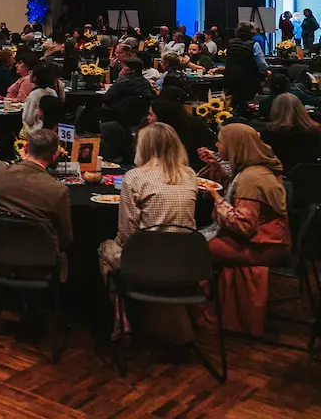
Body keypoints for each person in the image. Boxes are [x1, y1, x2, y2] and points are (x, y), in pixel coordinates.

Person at [98, 122, 198, 334]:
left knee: (105, 249)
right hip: (188, 262)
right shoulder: (190, 175)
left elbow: (127, 234)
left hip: (147, 262)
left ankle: (121, 314)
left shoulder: (135, 177)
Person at [198, 123, 291, 335]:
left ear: (234, 146)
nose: (216, 145)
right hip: (270, 237)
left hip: (263, 244)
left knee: (196, 248)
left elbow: (243, 226)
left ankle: (203, 311)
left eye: (220, 141)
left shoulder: (251, 178)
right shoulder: (256, 169)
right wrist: (218, 171)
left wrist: (216, 198)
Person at [0, 128, 72, 281]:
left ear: (25, 148)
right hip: (40, 263)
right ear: (55, 156)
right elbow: (66, 239)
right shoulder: (58, 190)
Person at [261, 93, 321, 172]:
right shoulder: (315, 131)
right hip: (311, 178)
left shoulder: (268, 134)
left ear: (275, 110)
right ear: (301, 108)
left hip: (280, 177)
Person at [224, 22, 267, 114]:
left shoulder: (230, 43)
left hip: (230, 78)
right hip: (248, 80)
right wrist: (265, 73)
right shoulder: (254, 45)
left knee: (232, 104)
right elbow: (262, 64)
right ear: (252, 32)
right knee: (247, 105)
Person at [103, 57, 153, 125]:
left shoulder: (123, 81)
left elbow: (107, 98)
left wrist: (120, 77)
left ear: (133, 70)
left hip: (120, 115)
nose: (123, 68)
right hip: (139, 117)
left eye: (125, 66)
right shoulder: (146, 83)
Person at [21, 64, 59, 135]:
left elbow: (28, 119)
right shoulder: (52, 92)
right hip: (52, 130)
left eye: (31, 72)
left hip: (36, 132)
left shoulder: (34, 94)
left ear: (35, 78)